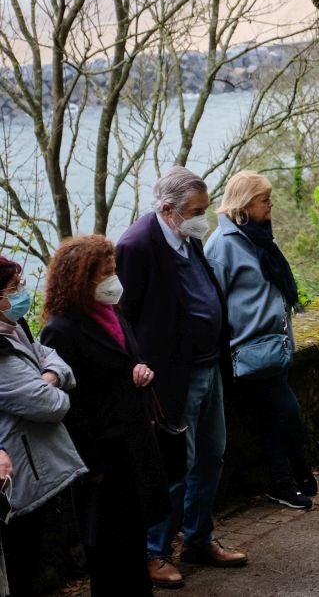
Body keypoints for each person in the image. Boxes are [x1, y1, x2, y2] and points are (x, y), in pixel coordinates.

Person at [116, 166, 247, 585]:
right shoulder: (137, 246)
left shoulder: (187, 239)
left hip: (209, 366)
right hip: (172, 378)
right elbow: (123, 317)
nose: (202, 217)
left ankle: (198, 538)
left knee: (211, 456)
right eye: (196, 210)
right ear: (168, 209)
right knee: (174, 465)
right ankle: (154, 550)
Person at [41, 236, 169, 595]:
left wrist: (139, 371)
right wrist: (92, 465)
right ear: (83, 279)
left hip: (133, 446)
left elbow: (124, 362)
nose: (115, 279)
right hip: (102, 458)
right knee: (108, 552)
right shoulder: (61, 331)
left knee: (133, 544)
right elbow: (69, 404)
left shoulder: (113, 314)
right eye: (106, 273)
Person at [204, 171, 316, 512]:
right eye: (263, 200)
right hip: (247, 349)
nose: (270, 206)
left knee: (274, 416)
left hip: (276, 344)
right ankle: (291, 475)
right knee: (285, 411)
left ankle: (286, 480)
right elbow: (214, 304)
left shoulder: (260, 237)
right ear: (244, 205)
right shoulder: (221, 247)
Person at [0, 257, 86, 597]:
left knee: (28, 562)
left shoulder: (14, 327)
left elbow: (47, 353)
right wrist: (57, 388)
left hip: (32, 469)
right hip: (16, 479)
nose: (22, 294)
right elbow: (49, 405)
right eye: (12, 289)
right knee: (18, 566)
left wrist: (50, 376)